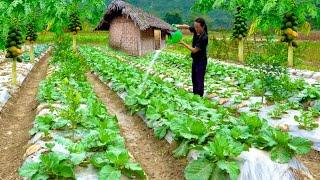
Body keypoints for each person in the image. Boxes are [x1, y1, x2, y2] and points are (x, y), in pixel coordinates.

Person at [176, 18, 208, 97]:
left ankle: (199, 97)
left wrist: (183, 43)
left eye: (197, 27)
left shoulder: (204, 37)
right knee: (194, 78)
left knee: (199, 80)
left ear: (203, 27)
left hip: (201, 61)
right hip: (195, 60)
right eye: (195, 26)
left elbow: (194, 50)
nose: (195, 28)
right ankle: (194, 96)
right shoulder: (196, 30)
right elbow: (187, 27)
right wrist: (178, 26)